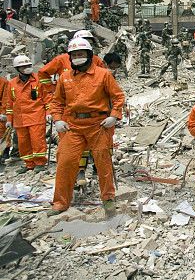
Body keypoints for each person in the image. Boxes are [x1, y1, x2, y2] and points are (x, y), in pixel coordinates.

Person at [47, 38, 125, 218]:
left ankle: (108, 199)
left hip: (97, 125)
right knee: (65, 162)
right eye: (74, 55)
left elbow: (118, 97)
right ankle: (60, 202)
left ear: (89, 55)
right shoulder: (65, 77)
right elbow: (57, 102)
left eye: (81, 54)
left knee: (102, 163)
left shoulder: (103, 74)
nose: (77, 57)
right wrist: (58, 119)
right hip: (73, 126)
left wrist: (114, 115)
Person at [6, 55, 50, 174]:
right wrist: (9, 119)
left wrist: (49, 112)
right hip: (20, 119)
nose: (26, 68)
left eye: (28, 65)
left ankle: (40, 163)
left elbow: (47, 97)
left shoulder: (39, 80)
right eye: (23, 66)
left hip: (36, 116)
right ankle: (29, 163)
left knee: (37, 141)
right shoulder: (12, 84)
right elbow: (9, 103)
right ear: (17, 69)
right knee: (23, 143)